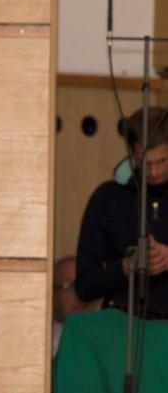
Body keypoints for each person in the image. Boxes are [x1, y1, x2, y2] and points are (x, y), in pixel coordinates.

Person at [75, 106, 168, 315]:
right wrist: (125, 268)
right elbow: (84, 286)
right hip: (121, 324)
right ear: (132, 152)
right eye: (145, 162)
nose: (154, 172)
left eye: (162, 161)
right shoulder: (107, 198)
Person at [52, 256, 101, 357]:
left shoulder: (116, 338)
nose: (80, 293)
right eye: (69, 286)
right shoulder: (45, 344)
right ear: (52, 296)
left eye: (87, 284)